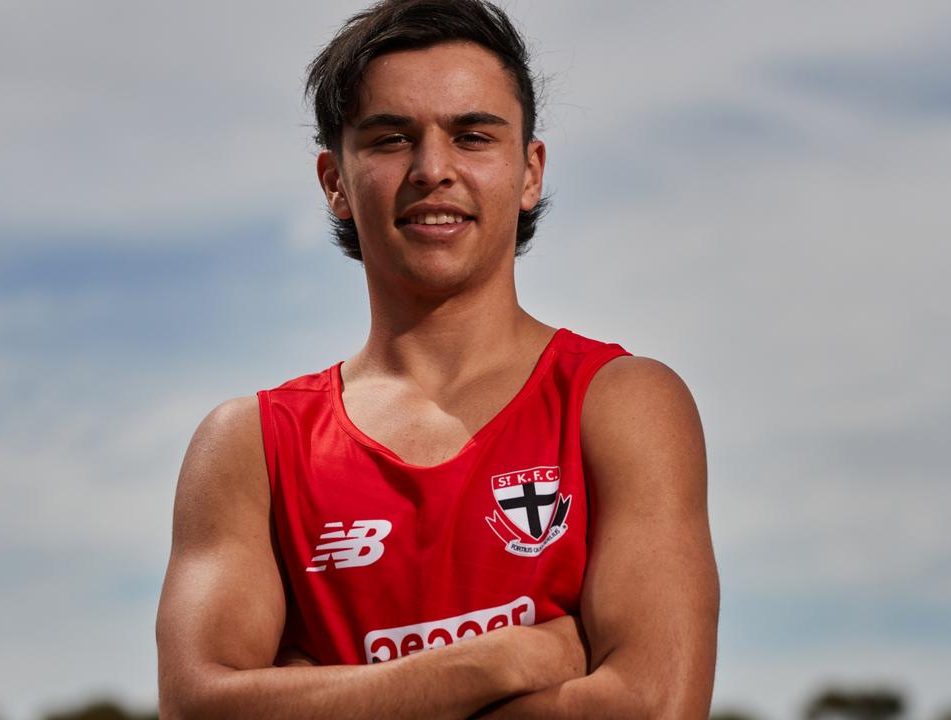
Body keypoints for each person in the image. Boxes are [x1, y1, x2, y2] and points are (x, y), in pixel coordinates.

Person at [155, 0, 719, 717]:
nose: (433, 169)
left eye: (473, 136)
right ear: (335, 181)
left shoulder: (620, 402)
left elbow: (651, 709)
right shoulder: (251, 445)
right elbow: (198, 708)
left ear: (528, 170)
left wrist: (321, 698)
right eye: (391, 139)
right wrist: (499, 661)